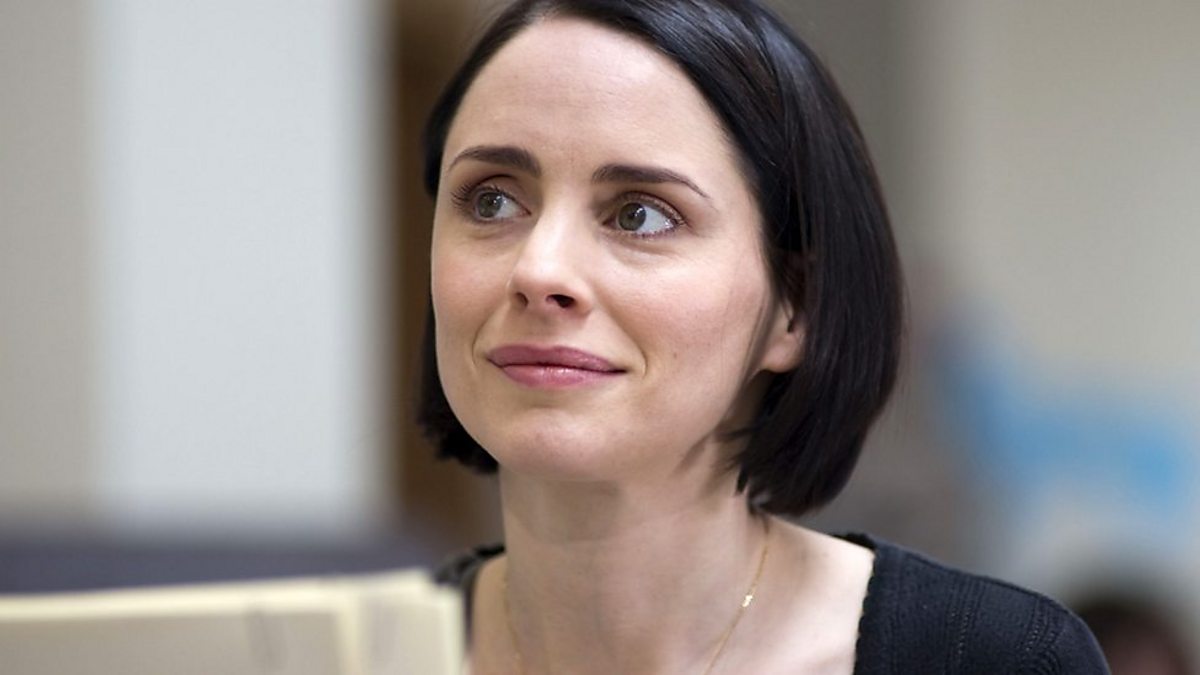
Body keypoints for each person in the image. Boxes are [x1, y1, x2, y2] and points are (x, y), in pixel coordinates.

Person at [419, 0, 1108, 672]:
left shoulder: (1000, 659)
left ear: (794, 308)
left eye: (639, 215)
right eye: (492, 200)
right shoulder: (365, 650)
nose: (538, 270)